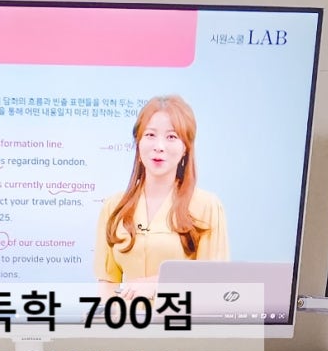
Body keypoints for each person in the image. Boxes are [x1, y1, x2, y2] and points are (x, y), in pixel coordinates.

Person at [94, 95, 229, 299]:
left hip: (179, 318)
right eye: (150, 135)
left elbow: (214, 284)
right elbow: (107, 284)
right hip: (126, 319)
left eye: (171, 137)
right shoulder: (114, 206)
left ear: (185, 148)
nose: (159, 146)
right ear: (138, 143)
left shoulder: (207, 206)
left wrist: (159, 284)